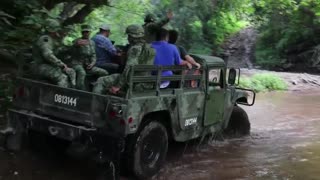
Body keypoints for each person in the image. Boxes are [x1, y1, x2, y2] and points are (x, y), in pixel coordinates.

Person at [93, 24, 155, 95]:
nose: (128, 38)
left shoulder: (134, 49)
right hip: (144, 79)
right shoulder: (149, 48)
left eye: (128, 36)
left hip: (132, 80)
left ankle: (95, 105)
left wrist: (118, 86)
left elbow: (128, 69)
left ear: (132, 36)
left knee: (100, 81)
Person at [31, 19, 76, 88]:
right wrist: (61, 65)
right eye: (55, 30)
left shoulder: (50, 39)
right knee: (62, 78)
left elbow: (58, 51)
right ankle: (60, 97)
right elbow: (48, 55)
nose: (56, 32)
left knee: (70, 72)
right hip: (40, 66)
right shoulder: (45, 39)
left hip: (46, 65)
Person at [70, 25, 108, 90]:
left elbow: (93, 55)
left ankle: (94, 86)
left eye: (87, 32)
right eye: (84, 32)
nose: (86, 33)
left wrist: (92, 63)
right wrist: (76, 45)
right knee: (82, 73)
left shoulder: (92, 43)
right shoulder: (77, 41)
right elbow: (71, 51)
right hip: (77, 64)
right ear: (82, 33)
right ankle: (79, 90)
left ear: (90, 32)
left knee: (104, 73)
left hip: (87, 65)